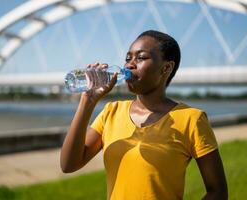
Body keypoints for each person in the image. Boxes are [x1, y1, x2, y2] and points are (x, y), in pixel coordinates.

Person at [60, 30, 228, 200]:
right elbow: (68, 164)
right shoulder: (111, 112)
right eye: (127, 58)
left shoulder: (191, 119)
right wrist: (87, 102)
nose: (130, 65)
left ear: (166, 68)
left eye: (140, 58)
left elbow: (218, 191)